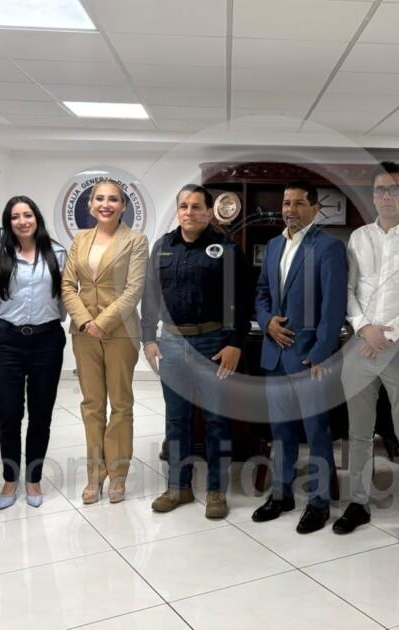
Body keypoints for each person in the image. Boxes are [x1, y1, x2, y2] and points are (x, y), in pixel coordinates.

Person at [334, 161, 399, 547]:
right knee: (359, 433)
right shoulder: (359, 237)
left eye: (393, 189)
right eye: (379, 190)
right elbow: (348, 289)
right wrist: (365, 327)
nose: (385, 196)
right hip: (360, 346)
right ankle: (358, 503)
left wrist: (389, 333)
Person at [143, 185, 251, 519]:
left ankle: (217, 491)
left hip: (213, 344)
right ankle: (179, 487)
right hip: (172, 343)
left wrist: (234, 343)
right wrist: (148, 338)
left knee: (217, 420)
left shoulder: (227, 249)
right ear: (178, 210)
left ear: (208, 211)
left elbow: (241, 301)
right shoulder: (163, 247)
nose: (189, 212)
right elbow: (150, 296)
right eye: (183, 206)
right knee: (177, 420)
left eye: (196, 206)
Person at [251, 180, 348, 534]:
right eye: (286, 203)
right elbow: (262, 293)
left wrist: (321, 352)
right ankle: (282, 495)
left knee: (317, 432)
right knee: (281, 431)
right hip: (274, 354)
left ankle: (319, 504)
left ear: (315, 209)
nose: (290, 210)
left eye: (298, 203)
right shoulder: (274, 245)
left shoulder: (329, 247)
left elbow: (334, 306)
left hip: (309, 357)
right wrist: (267, 322)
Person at [61, 180, 148, 505]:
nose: (106, 204)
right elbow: (68, 286)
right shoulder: (80, 239)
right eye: (99, 198)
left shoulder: (136, 241)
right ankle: (94, 475)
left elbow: (134, 289)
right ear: (90, 205)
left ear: (123, 206)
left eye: (113, 199)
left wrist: (103, 322)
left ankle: (118, 474)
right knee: (92, 405)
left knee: (121, 405)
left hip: (121, 332)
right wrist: (86, 321)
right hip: (84, 333)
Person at [0, 196, 67, 509]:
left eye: (28, 215)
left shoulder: (57, 253)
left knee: (41, 413)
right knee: (9, 414)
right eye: (15, 216)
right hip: (8, 341)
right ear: (8, 222)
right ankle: (10, 478)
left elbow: (64, 297)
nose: (22, 221)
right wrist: (1, 329)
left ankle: (33, 479)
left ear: (37, 218)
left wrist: (53, 320)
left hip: (47, 340)